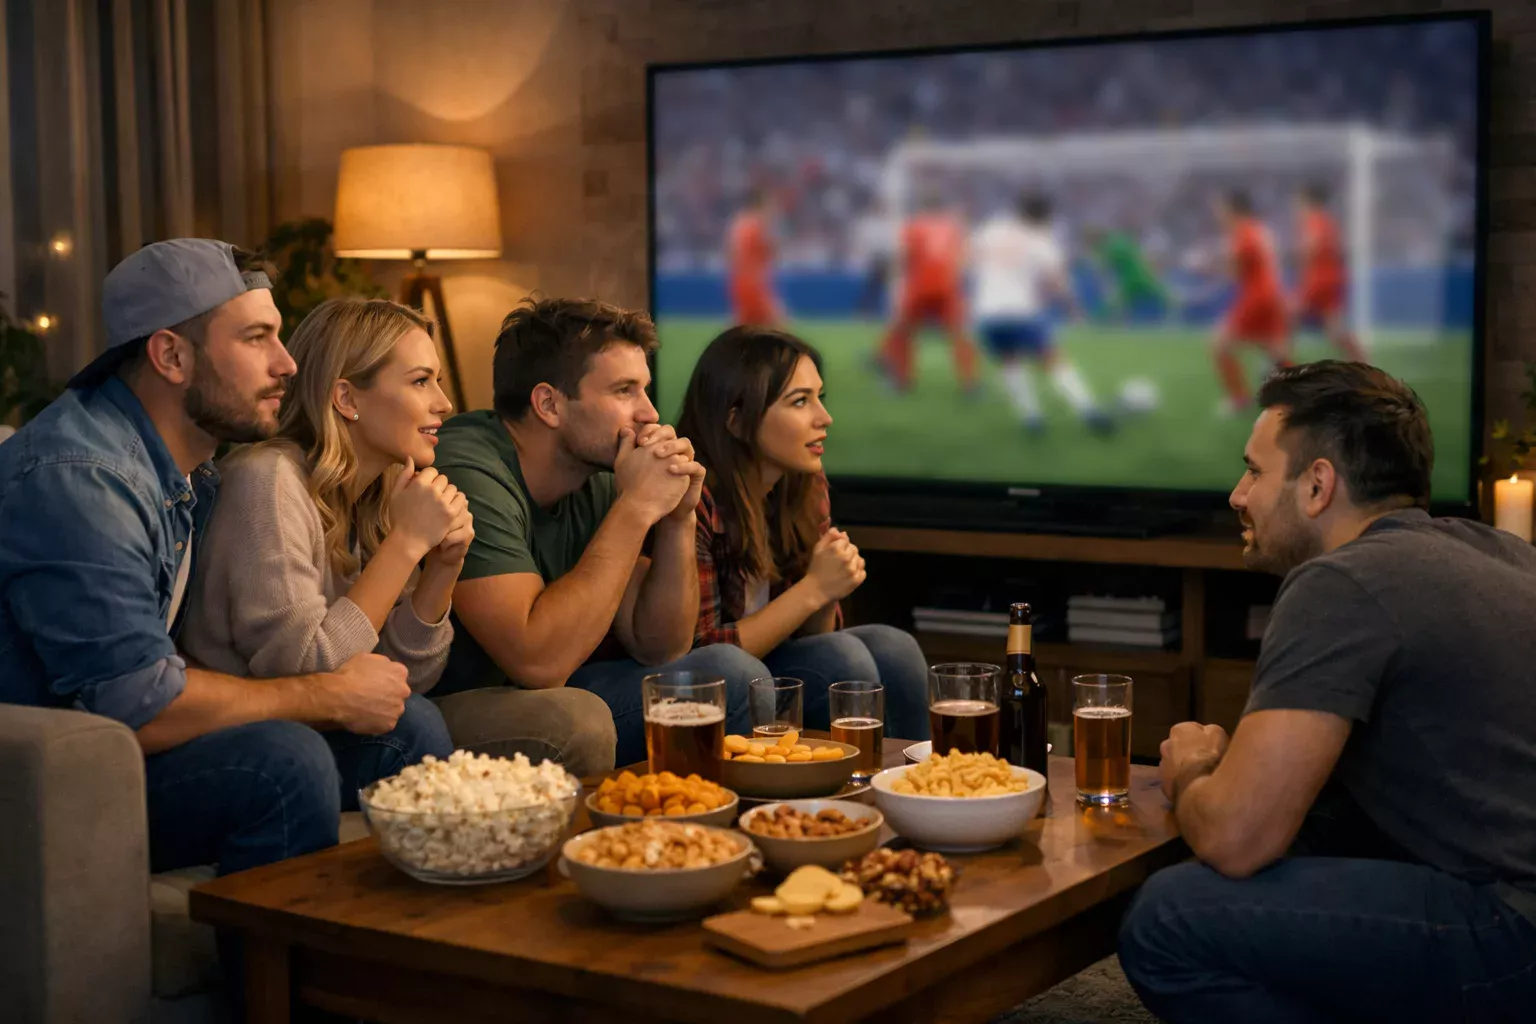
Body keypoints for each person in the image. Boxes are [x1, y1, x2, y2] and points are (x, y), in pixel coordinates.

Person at [0, 240, 448, 879]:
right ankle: (275, 979)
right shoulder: (83, 479)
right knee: (283, 762)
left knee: (409, 727)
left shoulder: (191, 474)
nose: (289, 365)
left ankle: (399, 962)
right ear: (172, 355)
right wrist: (325, 692)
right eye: (258, 339)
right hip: (53, 772)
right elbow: (138, 701)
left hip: (118, 744)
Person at [1118, 361, 1536, 1022]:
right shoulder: (1502, 552)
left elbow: (1237, 840)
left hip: (1516, 932)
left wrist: (1192, 773)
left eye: (1255, 471)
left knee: (1169, 918)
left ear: (1317, 485)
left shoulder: (1343, 582)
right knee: (1319, 827)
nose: (1237, 494)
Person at [178, 299, 616, 777]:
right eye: (420, 381)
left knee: (418, 715)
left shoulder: (383, 488)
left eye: (438, 381)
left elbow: (408, 678)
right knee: (417, 725)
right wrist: (406, 544)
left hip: (326, 724)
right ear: (347, 399)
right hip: (248, 739)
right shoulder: (268, 480)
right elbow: (309, 674)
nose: (444, 404)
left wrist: (444, 569)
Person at [430, 297, 769, 766]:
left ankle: (696, 835)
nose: (649, 414)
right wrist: (636, 507)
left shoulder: (603, 473)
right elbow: (537, 662)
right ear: (548, 404)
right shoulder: (466, 470)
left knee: (730, 675)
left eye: (645, 390)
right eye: (624, 391)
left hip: (546, 690)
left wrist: (677, 518)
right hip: (446, 706)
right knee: (576, 719)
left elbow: (661, 645)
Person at [675, 325, 930, 739]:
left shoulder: (804, 483)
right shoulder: (692, 497)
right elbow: (704, 651)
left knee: (893, 647)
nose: (824, 418)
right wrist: (815, 586)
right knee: (844, 658)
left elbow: (818, 636)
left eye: (819, 398)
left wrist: (826, 590)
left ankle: (914, 789)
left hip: (769, 660)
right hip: (712, 677)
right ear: (736, 421)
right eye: (800, 402)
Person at [971, 195, 1112, 435]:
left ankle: (1031, 419)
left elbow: (971, 255)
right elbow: (1058, 280)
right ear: (1043, 218)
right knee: (1052, 359)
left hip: (987, 313)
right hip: (1020, 311)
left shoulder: (991, 230)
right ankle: (1089, 411)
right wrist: (1074, 309)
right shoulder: (1040, 239)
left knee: (1010, 361)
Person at [876, 190, 978, 393]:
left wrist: (896, 281)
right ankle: (970, 384)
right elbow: (964, 259)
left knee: (903, 332)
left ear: (923, 208)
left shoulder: (913, 226)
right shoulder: (954, 228)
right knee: (959, 334)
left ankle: (900, 381)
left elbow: (903, 256)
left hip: (919, 287)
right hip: (947, 287)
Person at [1210, 191, 1291, 417]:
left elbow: (1234, 271)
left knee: (1220, 344)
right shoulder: (1261, 230)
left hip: (1256, 296)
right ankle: (1300, 396)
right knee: (1274, 349)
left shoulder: (1241, 232)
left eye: (1221, 209)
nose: (1218, 215)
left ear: (1233, 209)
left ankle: (1238, 399)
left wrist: (1213, 268)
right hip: (1273, 294)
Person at [1293, 183, 1367, 363]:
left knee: (1286, 315)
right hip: (1332, 279)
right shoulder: (1327, 221)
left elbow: (1313, 246)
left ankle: (1278, 363)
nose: (1297, 207)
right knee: (1335, 330)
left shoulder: (1315, 220)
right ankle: (1362, 361)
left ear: (1308, 201)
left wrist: (1302, 253)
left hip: (1319, 281)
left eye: (1299, 202)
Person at [727, 188, 783, 327]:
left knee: (744, 323)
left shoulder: (740, 223)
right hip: (754, 284)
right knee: (777, 325)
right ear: (761, 204)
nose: (772, 209)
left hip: (739, 281)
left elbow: (732, 254)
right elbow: (770, 250)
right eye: (769, 205)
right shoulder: (757, 224)